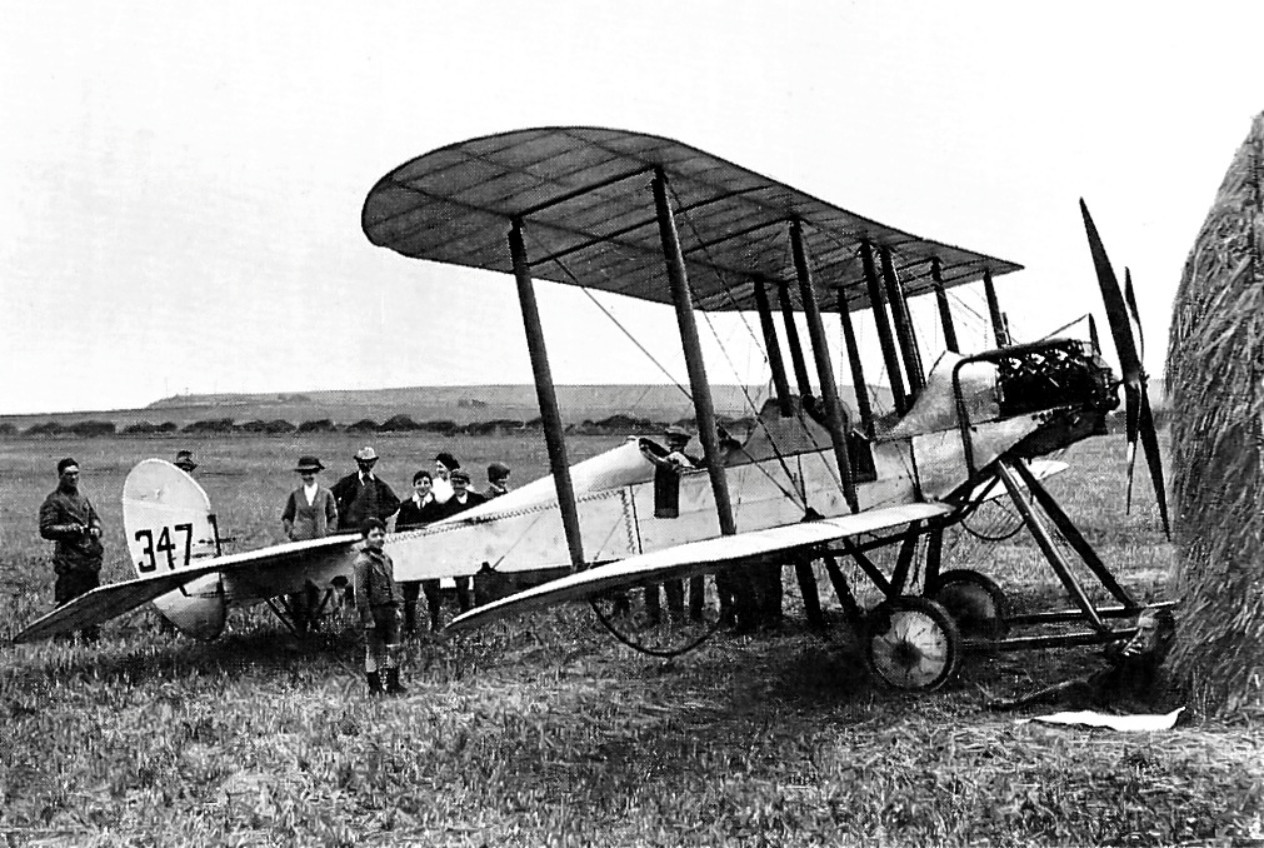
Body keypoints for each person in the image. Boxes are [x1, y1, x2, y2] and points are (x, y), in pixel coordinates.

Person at [988, 606, 1177, 712]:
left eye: (1148, 630)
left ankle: (1014, 705)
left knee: (1071, 690)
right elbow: (1111, 653)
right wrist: (1120, 650)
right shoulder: (1140, 645)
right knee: (1069, 689)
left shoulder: (1167, 654)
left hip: (1121, 699)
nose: (1141, 635)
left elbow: (1150, 678)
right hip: (1101, 690)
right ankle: (1015, 704)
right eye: (1140, 629)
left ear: (1164, 632)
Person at [38, 458, 104, 641]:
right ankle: (62, 640)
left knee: (92, 600)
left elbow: (94, 518)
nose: (73, 477)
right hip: (69, 560)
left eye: (76, 473)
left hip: (89, 560)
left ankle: (91, 639)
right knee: (68, 603)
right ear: (60, 476)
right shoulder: (54, 501)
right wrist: (70, 529)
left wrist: (96, 529)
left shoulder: (82, 499)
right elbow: (46, 529)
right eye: (69, 474)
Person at [280, 456, 339, 632]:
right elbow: (286, 517)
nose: (309, 476)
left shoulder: (326, 494)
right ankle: (300, 624)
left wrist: (328, 533)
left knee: (320, 584)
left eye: (312, 472)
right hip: (300, 548)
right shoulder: (296, 495)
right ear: (301, 475)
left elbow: (334, 516)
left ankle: (317, 621)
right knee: (300, 586)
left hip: (320, 547)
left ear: (317, 472)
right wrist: (293, 533)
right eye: (305, 473)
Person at [353, 518, 406, 696]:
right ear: (365, 537)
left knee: (394, 648)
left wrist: (397, 607)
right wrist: (367, 618)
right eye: (374, 535)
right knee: (373, 651)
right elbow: (360, 592)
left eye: (382, 534)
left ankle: (393, 684)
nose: (379, 538)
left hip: (389, 610)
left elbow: (393, 585)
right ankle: (374, 687)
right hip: (374, 611)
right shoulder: (363, 562)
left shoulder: (386, 559)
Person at [395, 470, 446, 633]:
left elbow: (441, 530)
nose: (422, 486)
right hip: (411, 556)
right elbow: (399, 530)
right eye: (419, 483)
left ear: (431, 485)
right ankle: (410, 626)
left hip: (430, 556)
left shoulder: (437, 507)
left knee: (433, 592)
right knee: (410, 593)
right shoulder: (406, 506)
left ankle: (435, 624)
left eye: (426, 483)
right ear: (414, 486)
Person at [442, 469, 487, 611]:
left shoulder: (478, 500)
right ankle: (465, 611)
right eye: (454, 483)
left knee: (480, 581)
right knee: (461, 583)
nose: (457, 487)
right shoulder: (447, 506)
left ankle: (481, 610)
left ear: (467, 484)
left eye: (460, 483)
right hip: (459, 549)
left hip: (477, 545)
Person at [331, 446, 401, 532]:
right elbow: (328, 495)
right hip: (349, 529)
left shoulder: (380, 486)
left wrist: (380, 513)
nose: (365, 465)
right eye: (362, 462)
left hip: (373, 531)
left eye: (369, 462)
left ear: (374, 463)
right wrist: (340, 510)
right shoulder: (347, 482)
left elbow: (395, 503)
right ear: (358, 462)